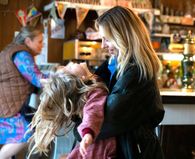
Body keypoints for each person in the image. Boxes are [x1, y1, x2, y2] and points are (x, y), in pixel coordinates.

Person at [77, 6, 165, 159]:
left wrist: (80, 126)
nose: (103, 45)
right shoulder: (114, 64)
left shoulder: (137, 72)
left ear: (123, 36)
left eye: (107, 39)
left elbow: (109, 121)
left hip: (134, 151)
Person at [28, 66, 116, 159]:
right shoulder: (94, 92)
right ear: (81, 79)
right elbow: (92, 112)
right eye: (69, 68)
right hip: (98, 143)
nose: (71, 64)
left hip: (98, 141)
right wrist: (88, 132)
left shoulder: (91, 90)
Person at [0, 26, 47, 159]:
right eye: (39, 41)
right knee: (26, 134)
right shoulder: (22, 54)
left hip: (6, 102)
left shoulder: (13, 51)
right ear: (28, 41)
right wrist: (61, 76)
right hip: (7, 104)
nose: (42, 45)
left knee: (18, 137)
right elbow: (38, 79)